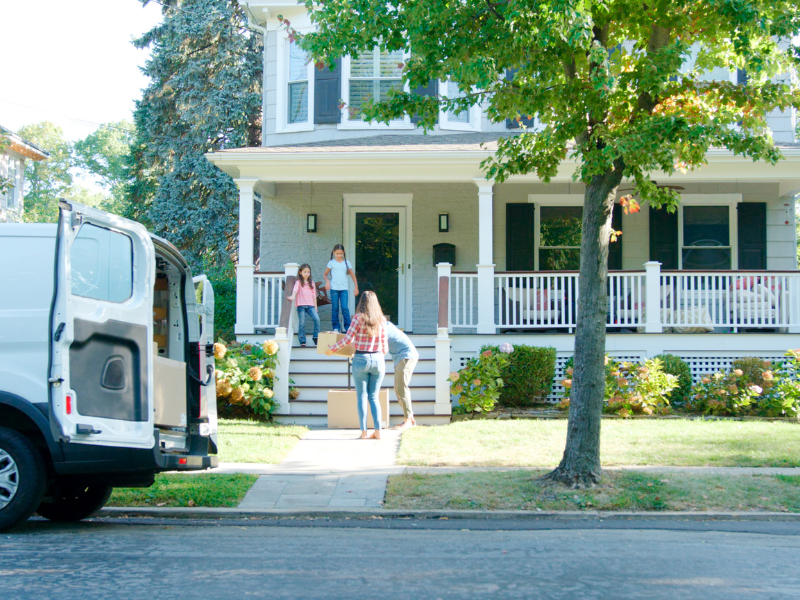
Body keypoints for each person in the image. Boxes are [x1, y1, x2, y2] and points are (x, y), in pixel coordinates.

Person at [326, 291, 387, 440]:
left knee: (362, 396)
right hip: (378, 359)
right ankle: (378, 431)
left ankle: (364, 433)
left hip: (360, 359)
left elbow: (348, 339)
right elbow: (385, 346)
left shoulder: (357, 318)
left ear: (362, 302)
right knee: (374, 397)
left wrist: (331, 349)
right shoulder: (382, 320)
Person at [386, 321, 418, 430]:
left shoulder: (384, 329)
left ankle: (408, 420)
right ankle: (410, 419)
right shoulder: (385, 325)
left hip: (406, 356)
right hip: (402, 357)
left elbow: (380, 347)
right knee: (398, 388)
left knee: (401, 388)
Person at [323, 244, 359, 333]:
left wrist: (356, 287)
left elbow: (352, 275)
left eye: (341, 253)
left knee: (344, 308)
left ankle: (348, 327)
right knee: (335, 308)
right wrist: (327, 281)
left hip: (344, 289)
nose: (339, 255)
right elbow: (325, 274)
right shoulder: (331, 263)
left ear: (343, 253)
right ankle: (336, 327)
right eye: (337, 253)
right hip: (334, 289)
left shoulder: (346, 262)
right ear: (333, 253)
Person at [286, 263, 319, 347]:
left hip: (311, 305)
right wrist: (293, 296)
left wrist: (315, 307)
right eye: (305, 272)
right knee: (302, 323)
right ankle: (302, 340)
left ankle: (316, 337)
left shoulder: (312, 283)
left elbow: (314, 295)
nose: (307, 274)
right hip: (301, 305)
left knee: (317, 319)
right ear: (300, 272)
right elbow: (295, 290)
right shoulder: (298, 282)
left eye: (308, 272)